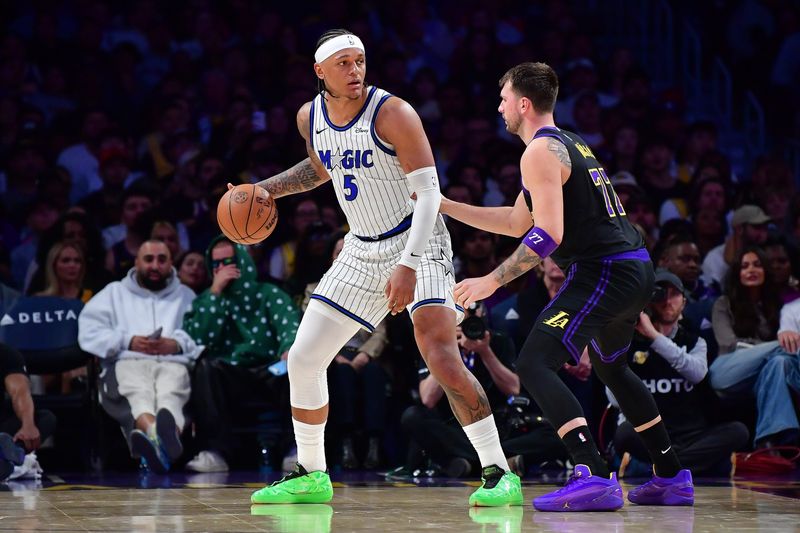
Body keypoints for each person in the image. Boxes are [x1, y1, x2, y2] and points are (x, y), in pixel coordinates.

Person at [248, 29, 521, 507]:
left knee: (438, 350)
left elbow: (431, 194)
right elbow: (320, 167)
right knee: (304, 359)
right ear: (320, 72)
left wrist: (408, 265)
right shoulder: (308, 116)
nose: (355, 71)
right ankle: (312, 473)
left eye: (360, 61)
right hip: (360, 248)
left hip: (419, 239)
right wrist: (266, 189)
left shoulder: (393, 112)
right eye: (344, 64)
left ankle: (499, 471)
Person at [441, 62, 692, 511]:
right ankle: (671, 476)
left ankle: (592, 472)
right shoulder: (568, 143)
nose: (498, 108)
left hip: (605, 271)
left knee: (535, 362)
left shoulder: (538, 152)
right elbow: (518, 221)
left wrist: (489, 282)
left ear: (523, 103)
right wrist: (444, 206)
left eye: (503, 99)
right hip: (634, 268)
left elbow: (547, 235)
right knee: (613, 369)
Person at [78, 240, 202, 473]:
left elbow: (201, 334)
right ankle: (159, 437)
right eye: (148, 259)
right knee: (138, 392)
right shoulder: (114, 293)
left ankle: (157, 441)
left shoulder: (186, 296)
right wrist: (128, 341)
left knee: (172, 392)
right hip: (128, 361)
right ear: (136, 262)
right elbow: (88, 332)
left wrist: (176, 344)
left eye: (162, 260)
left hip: (171, 363)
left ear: (171, 263)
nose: (155, 265)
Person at [613, 271, 748, 476]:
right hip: (652, 434)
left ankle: (659, 468)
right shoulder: (629, 343)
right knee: (624, 433)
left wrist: (655, 337)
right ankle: (684, 468)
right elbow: (614, 399)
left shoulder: (696, 342)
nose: (667, 301)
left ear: (684, 303)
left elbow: (697, 373)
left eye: (674, 294)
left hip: (692, 434)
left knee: (739, 431)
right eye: (660, 294)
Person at [183, 236, 300, 473]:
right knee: (205, 367)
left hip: (269, 371)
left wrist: (288, 348)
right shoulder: (208, 299)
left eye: (229, 262)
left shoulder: (268, 293)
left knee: (296, 364)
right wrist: (215, 292)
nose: (222, 269)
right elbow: (197, 338)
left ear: (243, 261)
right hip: (230, 374)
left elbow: (291, 325)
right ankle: (214, 452)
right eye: (216, 264)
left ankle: (295, 450)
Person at [0, 343, 56, 480]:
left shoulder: (6, 353)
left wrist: (27, 425)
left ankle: (13, 453)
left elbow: (19, 392)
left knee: (44, 418)